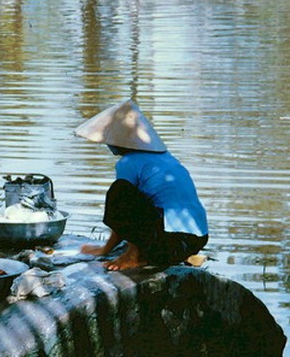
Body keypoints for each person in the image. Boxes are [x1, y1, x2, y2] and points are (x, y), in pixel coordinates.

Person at [75, 100, 208, 271]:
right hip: (194, 242)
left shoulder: (128, 162)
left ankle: (135, 256)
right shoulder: (167, 158)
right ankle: (142, 253)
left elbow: (124, 209)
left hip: (170, 244)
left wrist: (105, 249)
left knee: (119, 191)